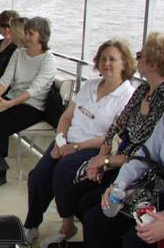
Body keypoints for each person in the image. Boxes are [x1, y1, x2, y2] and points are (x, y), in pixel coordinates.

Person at [20, 39, 136, 246]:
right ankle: (31, 224)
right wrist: (59, 142)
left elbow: (111, 136)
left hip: (93, 148)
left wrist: (75, 148)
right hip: (66, 141)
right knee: (38, 176)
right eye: (103, 58)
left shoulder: (127, 96)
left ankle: (67, 226)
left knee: (62, 172)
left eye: (112, 59)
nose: (106, 63)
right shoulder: (90, 85)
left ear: (124, 63)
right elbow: (66, 117)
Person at [62, 31, 164, 240]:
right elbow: (117, 127)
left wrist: (107, 162)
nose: (136, 59)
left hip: (144, 177)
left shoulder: (160, 101)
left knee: (93, 209)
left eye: (139, 55)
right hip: (128, 165)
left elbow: (143, 151)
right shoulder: (143, 89)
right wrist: (102, 157)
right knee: (78, 196)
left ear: (153, 63)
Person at [0, 16, 57, 188]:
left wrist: (7, 104)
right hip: (13, 97)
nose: (26, 36)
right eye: (26, 32)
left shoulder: (48, 60)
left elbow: (34, 90)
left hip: (33, 106)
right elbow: (6, 79)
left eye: (31, 33)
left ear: (42, 36)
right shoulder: (19, 53)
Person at [83, 116, 164, 248]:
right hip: (157, 191)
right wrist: (119, 185)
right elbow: (143, 157)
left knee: (135, 241)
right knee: (95, 220)